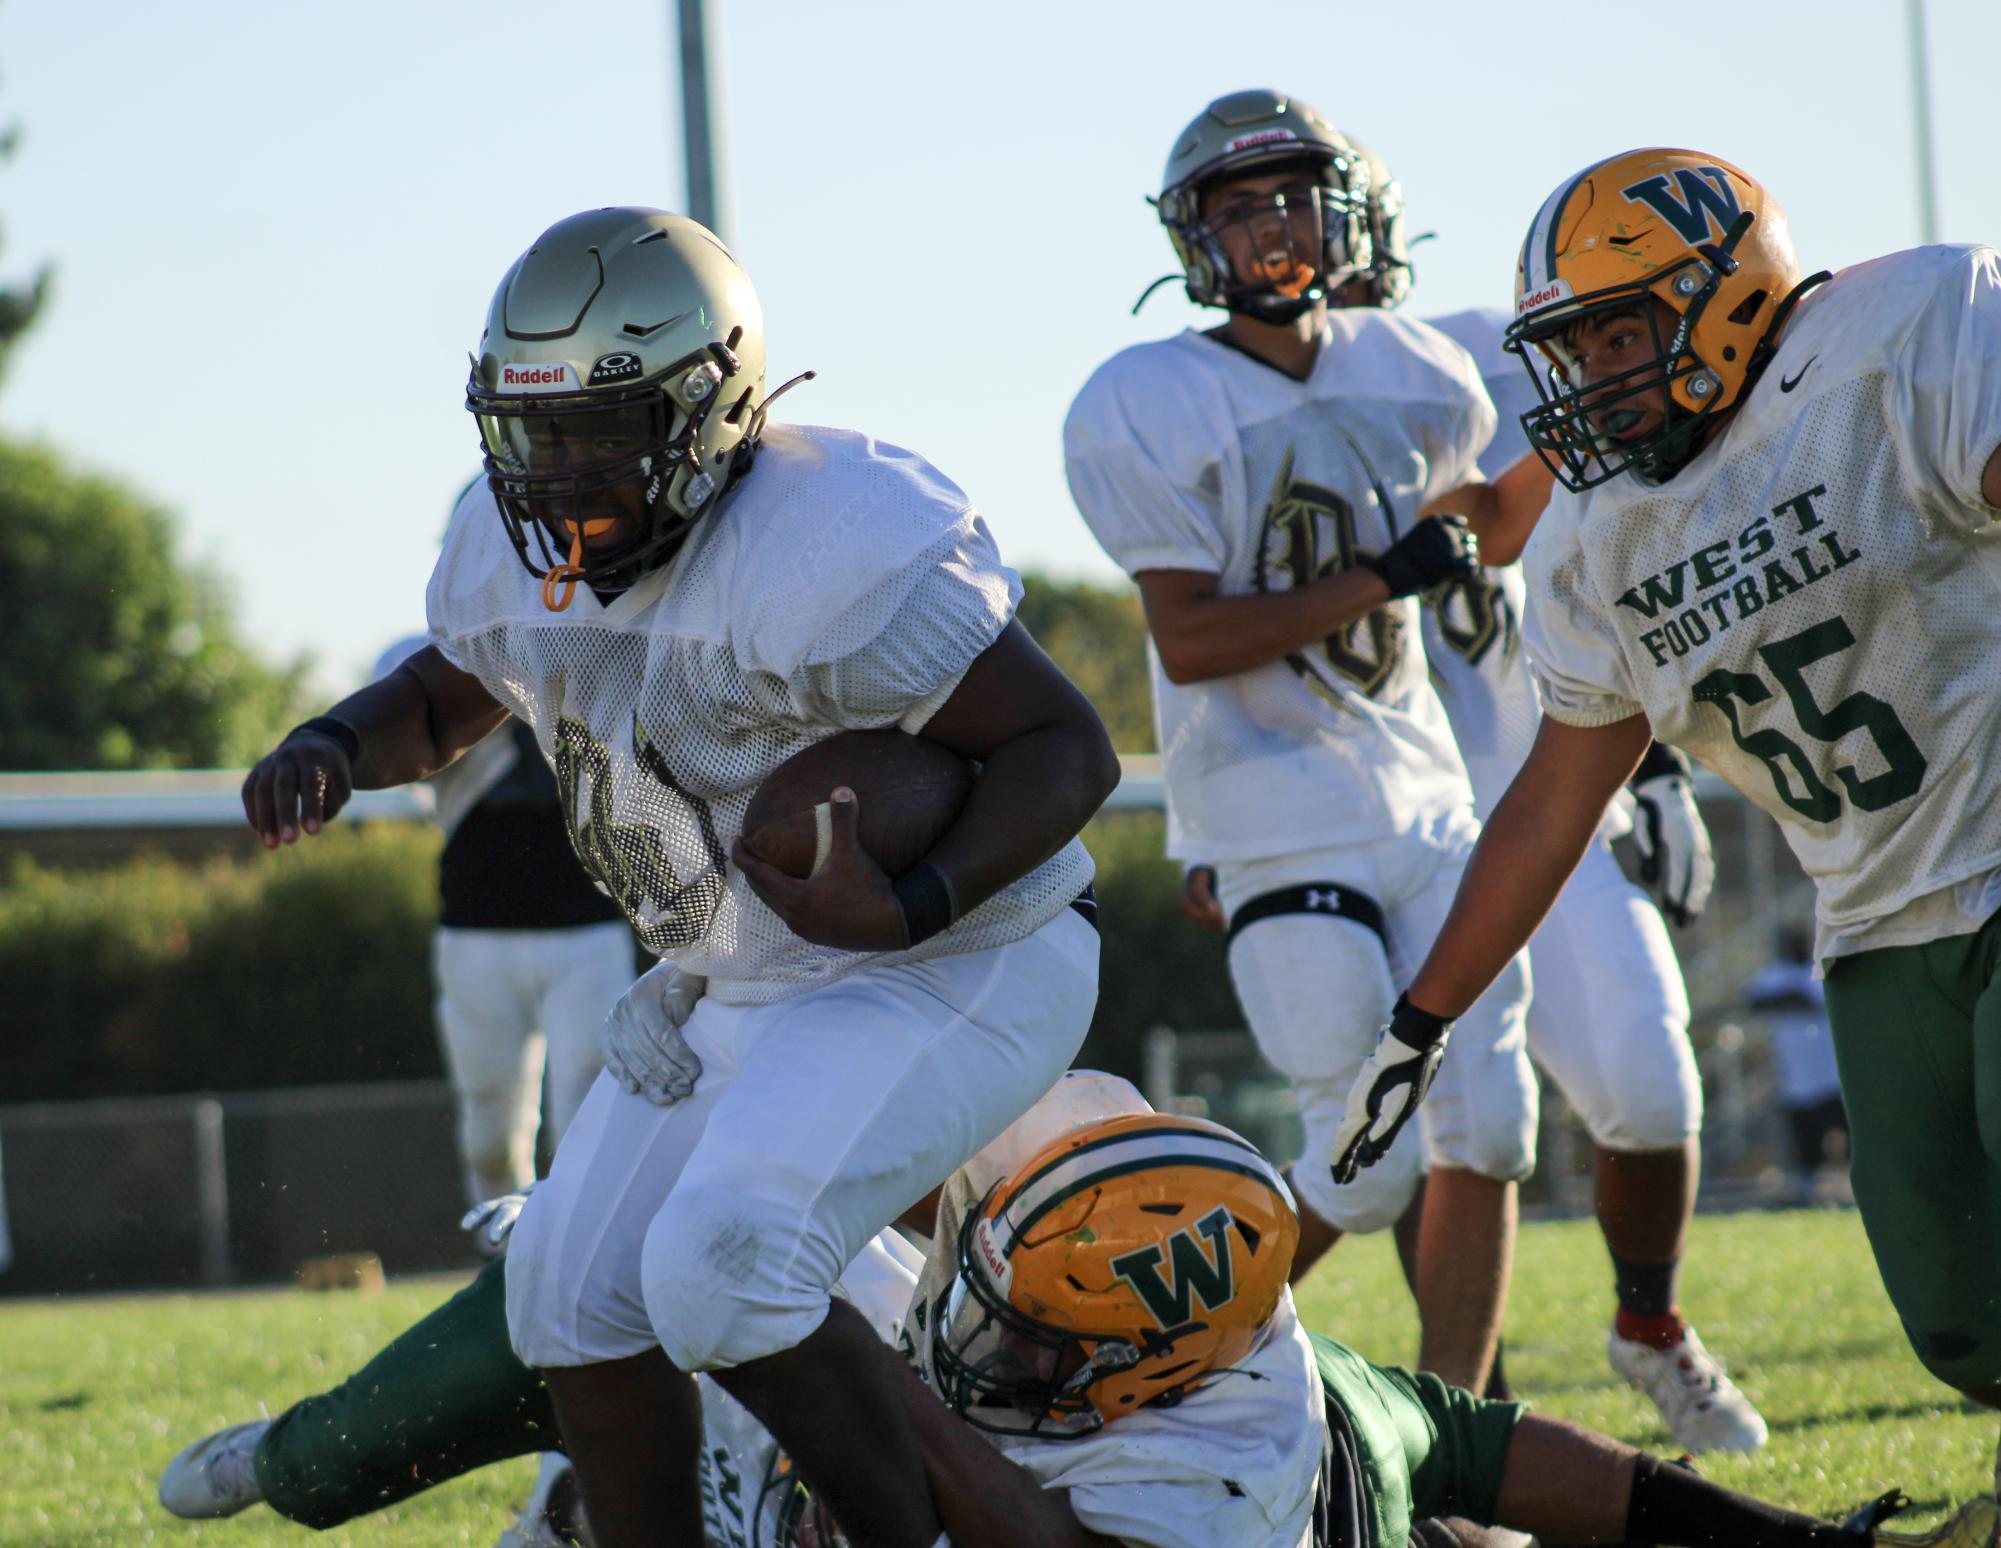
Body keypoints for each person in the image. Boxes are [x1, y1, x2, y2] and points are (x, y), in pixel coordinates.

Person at [239, 206, 1117, 1548]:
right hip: (738, 977)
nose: (555, 477)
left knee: (724, 1268)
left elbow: (1067, 748)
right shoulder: (509, 550)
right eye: (532, 436)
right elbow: (442, 696)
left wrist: (917, 898)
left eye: (599, 436)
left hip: (956, 958)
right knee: (566, 1294)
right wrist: (330, 742)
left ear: (713, 408)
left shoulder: (827, 544)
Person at [159, 1081, 1996, 1548]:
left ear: (1139, 1374)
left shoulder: (1212, 1470)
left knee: (623, 1321)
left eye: (1039, 1337)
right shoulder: (1174, 1292)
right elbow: (1526, 1454)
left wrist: (870, 1372)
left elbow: (1019, 1522)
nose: (995, 1320)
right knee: (620, 1263)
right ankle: (329, 1455)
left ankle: (520, 1479)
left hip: (873, 1498)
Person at [1329, 148, 2001, 1420]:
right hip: (1875, 917)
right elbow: (1551, 798)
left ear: (1726, 288)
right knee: (1965, 1333)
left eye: (1613, 335)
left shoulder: (1905, 335)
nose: (1591, 378)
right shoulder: (1599, 529)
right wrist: (1422, 1021)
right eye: (1568, 351)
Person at [1064, 88, 1546, 1393]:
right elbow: (1193, 640)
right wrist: (1381, 576)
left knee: (1489, 1125)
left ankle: (1462, 1442)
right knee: (1371, 1159)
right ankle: (1139, 1354)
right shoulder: (1147, 396)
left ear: (1341, 213)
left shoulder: (1415, 369)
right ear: (1193, 238)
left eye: (1289, 198)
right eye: (1238, 208)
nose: (1271, 228)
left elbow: (1480, 532)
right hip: (1271, 809)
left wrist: (1578, 425)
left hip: (1421, 793)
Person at [1329, 142, 1762, 1453]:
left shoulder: (1487, 348)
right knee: (1402, 1125)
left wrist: (1663, 756)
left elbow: (1591, 528)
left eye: (1315, 219)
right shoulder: (1196, 418)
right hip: (1367, 813)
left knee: (1646, 1085)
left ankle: (1647, 1324)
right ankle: (1460, 1417)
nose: (1293, 256)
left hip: (1540, 785)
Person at [372, 627, 634, 1211]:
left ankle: (575, 1272)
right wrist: (487, 677)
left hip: (588, 927)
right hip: (477, 930)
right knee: (489, 1134)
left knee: (588, 1123)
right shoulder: (426, 657)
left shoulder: (602, 643)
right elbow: (397, 738)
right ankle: (503, 1272)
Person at [1746, 927, 1849, 1203]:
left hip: (1831, 1073)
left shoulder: (1820, 969)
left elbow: (1808, 1000)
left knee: (1847, 1132)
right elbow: (1755, 1000)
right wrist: (1788, 997)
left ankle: (1853, 1189)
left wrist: (1786, 998)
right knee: (1806, 1139)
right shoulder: (1775, 973)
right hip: (1796, 1077)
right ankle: (1809, 1192)